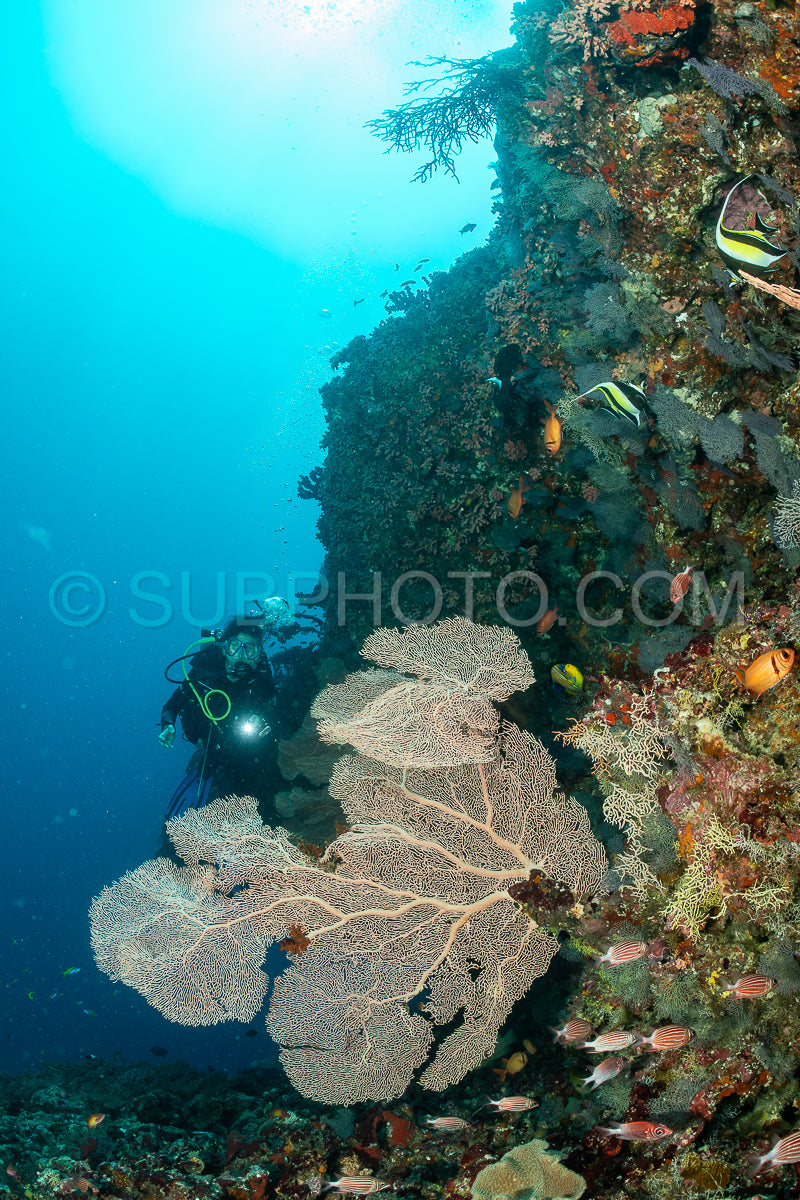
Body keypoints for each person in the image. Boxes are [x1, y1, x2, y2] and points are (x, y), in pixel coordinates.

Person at [158, 615, 279, 818]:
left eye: (250, 649)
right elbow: (172, 704)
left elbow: (277, 713)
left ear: (258, 656)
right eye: (234, 647)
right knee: (211, 766)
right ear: (224, 648)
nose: (240, 655)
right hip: (209, 742)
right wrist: (168, 725)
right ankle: (203, 776)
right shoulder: (203, 672)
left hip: (245, 750)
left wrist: (264, 722)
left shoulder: (261, 682)